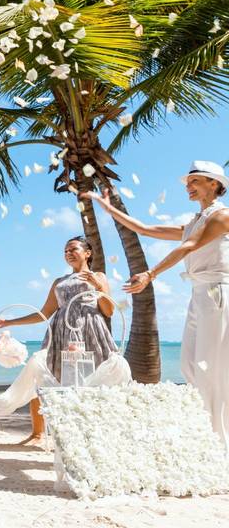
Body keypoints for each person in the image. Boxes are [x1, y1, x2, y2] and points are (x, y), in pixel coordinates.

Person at [86, 160, 229, 448]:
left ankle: (217, 441)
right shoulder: (194, 222)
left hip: (217, 292)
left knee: (212, 368)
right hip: (199, 293)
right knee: (190, 365)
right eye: (187, 183)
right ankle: (205, 432)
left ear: (214, 184)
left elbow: (189, 246)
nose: (188, 187)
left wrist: (151, 273)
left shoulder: (222, 215)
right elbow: (146, 229)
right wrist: (110, 210)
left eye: (194, 182)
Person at [0, 237, 116, 445]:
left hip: (91, 332)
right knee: (43, 376)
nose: (68, 253)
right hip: (60, 333)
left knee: (91, 382)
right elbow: (44, 313)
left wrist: (98, 286)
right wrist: (8, 323)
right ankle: (37, 434)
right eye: (65, 250)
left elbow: (108, 311)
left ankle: (91, 435)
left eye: (73, 249)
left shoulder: (99, 276)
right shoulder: (59, 282)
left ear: (87, 253)